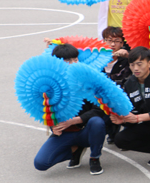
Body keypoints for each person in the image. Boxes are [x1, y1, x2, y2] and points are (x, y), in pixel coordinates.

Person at [33, 44, 107, 175]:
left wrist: (74, 121)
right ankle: (75, 149)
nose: (73, 63)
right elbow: (48, 112)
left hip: (86, 129)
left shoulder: (88, 80)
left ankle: (94, 157)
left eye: (75, 59)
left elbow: (100, 109)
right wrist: (53, 127)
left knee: (97, 122)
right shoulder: (51, 86)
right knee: (41, 163)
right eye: (68, 61)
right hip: (66, 132)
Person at [112, 47, 150, 172]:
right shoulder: (129, 83)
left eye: (139, 64)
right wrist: (123, 119)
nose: (135, 68)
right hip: (147, 125)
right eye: (132, 65)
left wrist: (139, 118)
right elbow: (133, 110)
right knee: (120, 139)